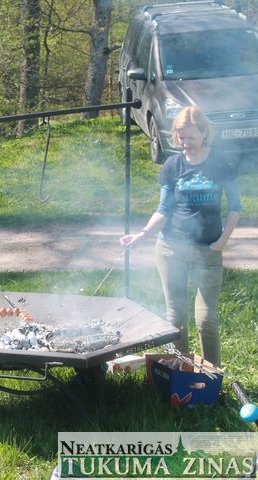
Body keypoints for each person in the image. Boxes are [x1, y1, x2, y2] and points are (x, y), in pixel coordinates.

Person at [120, 106, 240, 367]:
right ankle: (181, 371)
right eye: (181, 137)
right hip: (170, 248)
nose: (186, 143)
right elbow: (163, 210)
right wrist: (142, 235)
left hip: (208, 249)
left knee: (206, 320)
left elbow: (235, 208)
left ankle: (211, 375)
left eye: (191, 138)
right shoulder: (173, 165)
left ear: (204, 133)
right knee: (175, 318)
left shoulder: (221, 163)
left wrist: (223, 240)